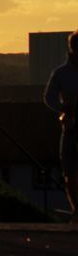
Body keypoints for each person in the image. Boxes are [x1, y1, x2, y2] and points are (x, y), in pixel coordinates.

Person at [43, 30, 78, 222]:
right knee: (69, 171)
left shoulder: (62, 73)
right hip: (71, 127)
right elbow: (49, 97)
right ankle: (77, 209)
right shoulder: (61, 73)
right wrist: (63, 108)